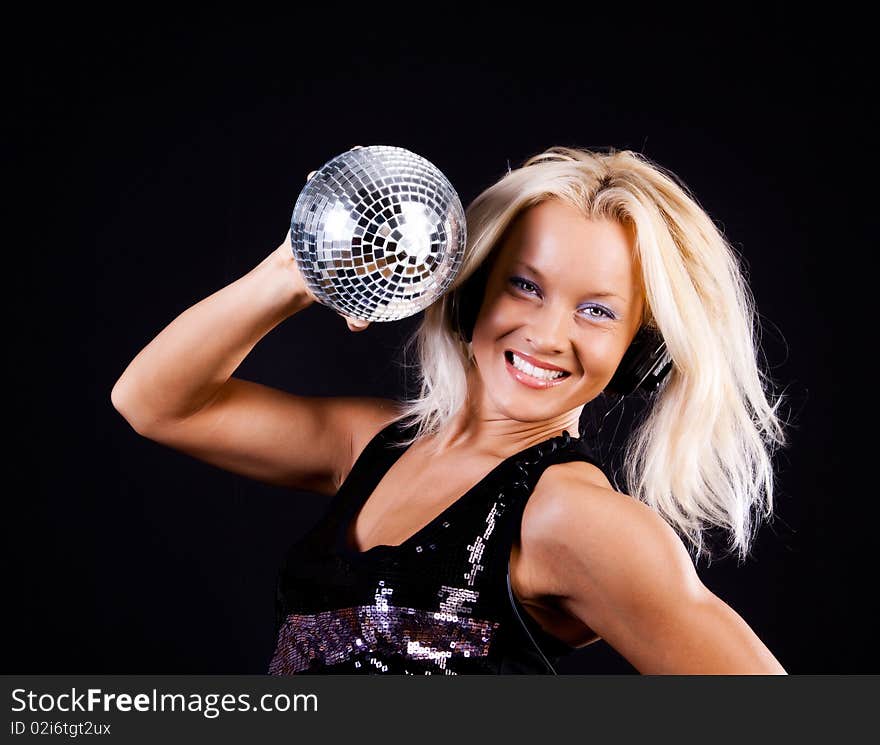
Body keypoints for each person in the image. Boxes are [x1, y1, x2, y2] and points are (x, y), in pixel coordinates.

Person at [111, 145, 789, 675]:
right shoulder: (375, 445)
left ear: (641, 352)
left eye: (597, 311)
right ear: (470, 294)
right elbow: (154, 403)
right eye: (525, 286)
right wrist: (292, 274)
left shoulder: (574, 517)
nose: (549, 335)